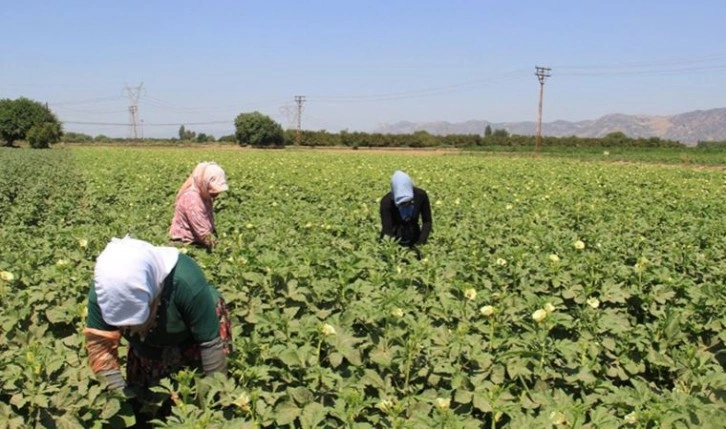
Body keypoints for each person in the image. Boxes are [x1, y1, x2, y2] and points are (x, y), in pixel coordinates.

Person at [83, 236, 231, 397]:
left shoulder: (184, 280)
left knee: (199, 384)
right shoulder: (102, 295)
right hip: (148, 347)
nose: (131, 330)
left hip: (192, 336)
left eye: (136, 319)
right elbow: (102, 352)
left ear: (154, 294)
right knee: (147, 398)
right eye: (124, 325)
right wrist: (124, 400)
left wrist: (213, 399)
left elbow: (210, 344)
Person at [169, 161, 228, 249]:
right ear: (204, 182)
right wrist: (220, 248)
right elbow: (202, 231)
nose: (217, 193)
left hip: (200, 239)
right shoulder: (192, 198)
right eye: (213, 189)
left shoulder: (203, 193)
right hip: (186, 243)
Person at [379, 170, 433, 248]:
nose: (405, 205)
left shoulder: (420, 195)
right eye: (401, 204)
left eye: (408, 202)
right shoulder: (386, 202)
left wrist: (420, 244)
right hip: (394, 238)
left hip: (415, 237)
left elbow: (427, 222)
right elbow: (387, 231)